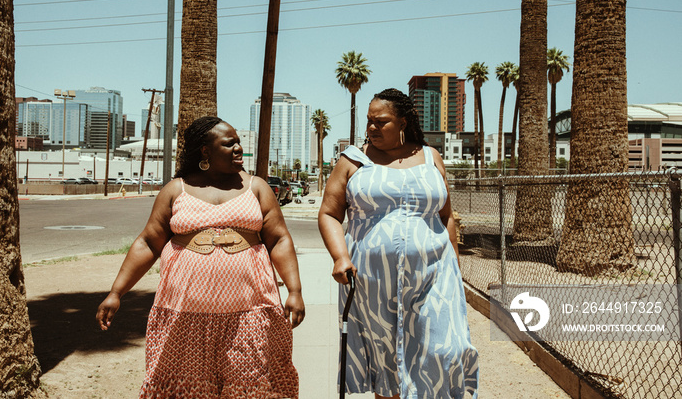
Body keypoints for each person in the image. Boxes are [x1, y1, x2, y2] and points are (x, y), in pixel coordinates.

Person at [96, 116, 305, 398]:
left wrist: (294, 290)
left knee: (251, 387)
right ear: (205, 151)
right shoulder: (175, 190)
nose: (238, 148)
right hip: (184, 318)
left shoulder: (257, 188)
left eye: (239, 143)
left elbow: (279, 239)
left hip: (249, 315)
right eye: (229, 143)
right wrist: (116, 292)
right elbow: (147, 242)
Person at [319, 89, 478, 399]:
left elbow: (446, 215)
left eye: (381, 122)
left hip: (434, 275)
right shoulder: (353, 159)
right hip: (372, 280)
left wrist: (454, 264)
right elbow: (328, 214)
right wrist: (340, 257)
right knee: (388, 362)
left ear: (403, 122)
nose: (371, 129)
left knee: (446, 350)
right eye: (369, 122)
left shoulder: (431, 157)